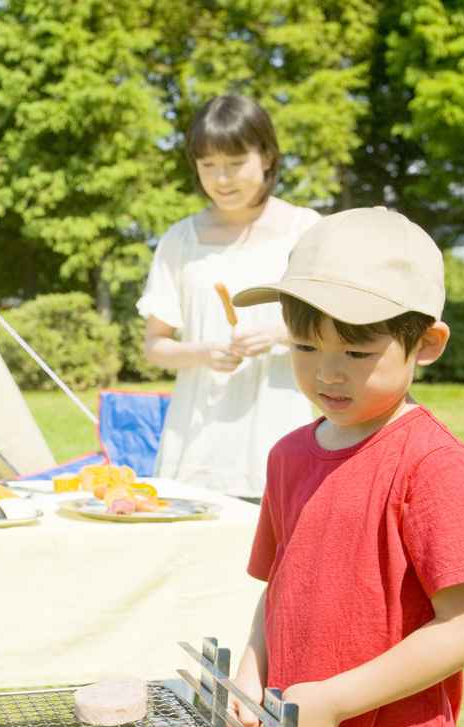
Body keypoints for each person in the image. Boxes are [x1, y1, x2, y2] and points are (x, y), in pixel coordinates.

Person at [227, 208, 464, 727]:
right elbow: (280, 586)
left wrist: (335, 700)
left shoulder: (430, 464)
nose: (327, 372)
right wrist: (248, 671)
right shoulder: (288, 456)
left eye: (355, 351)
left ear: (426, 344)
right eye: (306, 347)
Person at [138, 94, 320, 499]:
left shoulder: (305, 230)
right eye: (208, 166)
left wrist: (278, 333)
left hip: (279, 428)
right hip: (197, 442)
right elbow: (155, 345)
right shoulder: (179, 240)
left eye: (236, 164)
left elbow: (340, 323)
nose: (222, 179)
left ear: (268, 156)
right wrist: (203, 352)